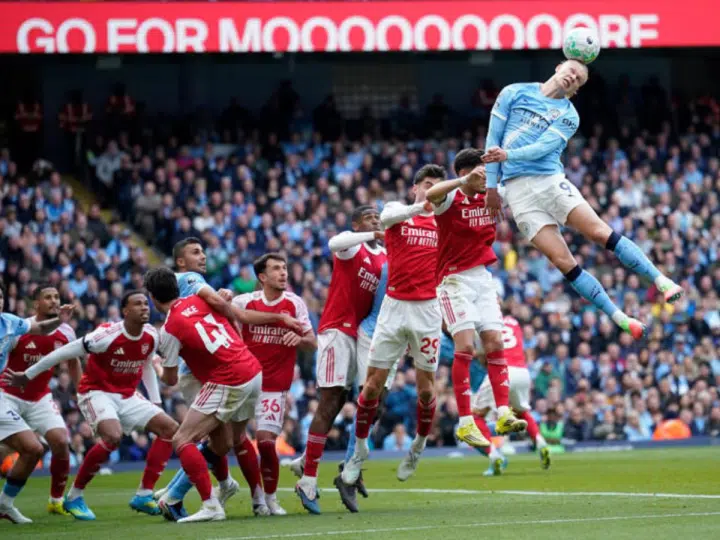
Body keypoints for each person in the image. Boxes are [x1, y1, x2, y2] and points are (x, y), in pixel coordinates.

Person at [482, 60, 683, 339]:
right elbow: (492, 138)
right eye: (571, 71)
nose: (572, 77)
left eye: (578, 79)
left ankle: (663, 281)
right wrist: (492, 187)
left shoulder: (568, 115)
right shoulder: (513, 92)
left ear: (575, 90)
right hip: (517, 194)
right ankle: (620, 317)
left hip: (549, 182)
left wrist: (508, 156)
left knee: (600, 233)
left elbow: (542, 148)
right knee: (563, 262)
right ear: (558, 67)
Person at [156, 238, 303, 520]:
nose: (203, 256)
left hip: (220, 370)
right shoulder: (189, 280)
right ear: (181, 262)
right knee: (220, 439)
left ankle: (231, 493)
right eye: (195, 252)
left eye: (203, 251)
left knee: (230, 439)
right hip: (199, 374)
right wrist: (234, 316)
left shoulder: (191, 290)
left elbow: (230, 312)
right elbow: (231, 312)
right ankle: (196, 492)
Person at [3, 291, 178, 521]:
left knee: (170, 429)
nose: (145, 307)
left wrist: (156, 402)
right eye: (138, 304)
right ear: (125, 311)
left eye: (146, 303)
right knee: (111, 437)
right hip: (91, 391)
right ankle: (73, 496)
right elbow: (62, 353)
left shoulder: (151, 335)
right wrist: (27, 375)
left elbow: (145, 364)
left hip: (121, 394)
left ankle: (143, 494)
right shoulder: (104, 335)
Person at [342, 164, 445, 494]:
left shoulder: (445, 223)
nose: (432, 191)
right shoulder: (398, 212)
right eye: (427, 185)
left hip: (428, 311)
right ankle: (358, 452)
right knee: (371, 387)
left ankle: (417, 446)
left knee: (427, 391)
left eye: (438, 187)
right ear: (415, 187)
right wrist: (424, 203)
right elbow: (386, 218)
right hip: (394, 309)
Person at [144, 267, 263, 523]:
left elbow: (171, 379)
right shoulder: (198, 298)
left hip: (230, 378)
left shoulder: (169, 330)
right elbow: (226, 314)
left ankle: (210, 504)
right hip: (252, 369)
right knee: (220, 443)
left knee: (182, 439)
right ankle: (243, 493)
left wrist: (156, 365)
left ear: (153, 298)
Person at [426, 148, 527, 448]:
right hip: (453, 280)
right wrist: (463, 181)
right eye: (481, 174)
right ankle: (466, 422)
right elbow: (432, 194)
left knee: (495, 343)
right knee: (467, 346)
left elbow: (519, 185)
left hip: (482, 277)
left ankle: (504, 412)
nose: (487, 180)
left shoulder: (491, 194)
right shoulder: (449, 199)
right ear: (466, 174)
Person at [295, 206, 386, 515]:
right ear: (356, 223)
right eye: (370, 215)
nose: (376, 218)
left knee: (372, 400)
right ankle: (307, 480)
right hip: (337, 330)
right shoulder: (351, 247)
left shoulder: (384, 258)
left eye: (378, 215)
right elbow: (335, 242)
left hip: (362, 336)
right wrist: (371, 233)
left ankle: (348, 465)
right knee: (331, 401)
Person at [232, 253, 317, 516]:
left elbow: (312, 341)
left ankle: (270, 498)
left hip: (274, 386)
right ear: (262, 277)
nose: (283, 273)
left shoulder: (295, 303)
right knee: (232, 442)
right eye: (276, 269)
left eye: (285, 268)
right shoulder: (244, 301)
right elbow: (233, 323)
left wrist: (298, 338)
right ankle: (256, 497)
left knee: (267, 442)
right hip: (242, 382)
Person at [0, 284, 79, 516]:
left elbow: (45, 332)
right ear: (36, 303)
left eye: (1, 296)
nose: (54, 301)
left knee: (58, 442)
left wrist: (81, 391)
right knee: (29, 448)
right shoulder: (17, 332)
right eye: (48, 297)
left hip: (39, 396)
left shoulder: (12, 323)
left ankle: (55, 500)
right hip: (8, 395)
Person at [472, 313, 550, 476]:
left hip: (501, 369)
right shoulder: (514, 322)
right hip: (522, 371)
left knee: (475, 419)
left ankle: (495, 456)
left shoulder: (485, 321)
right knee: (521, 411)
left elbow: (482, 354)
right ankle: (540, 442)